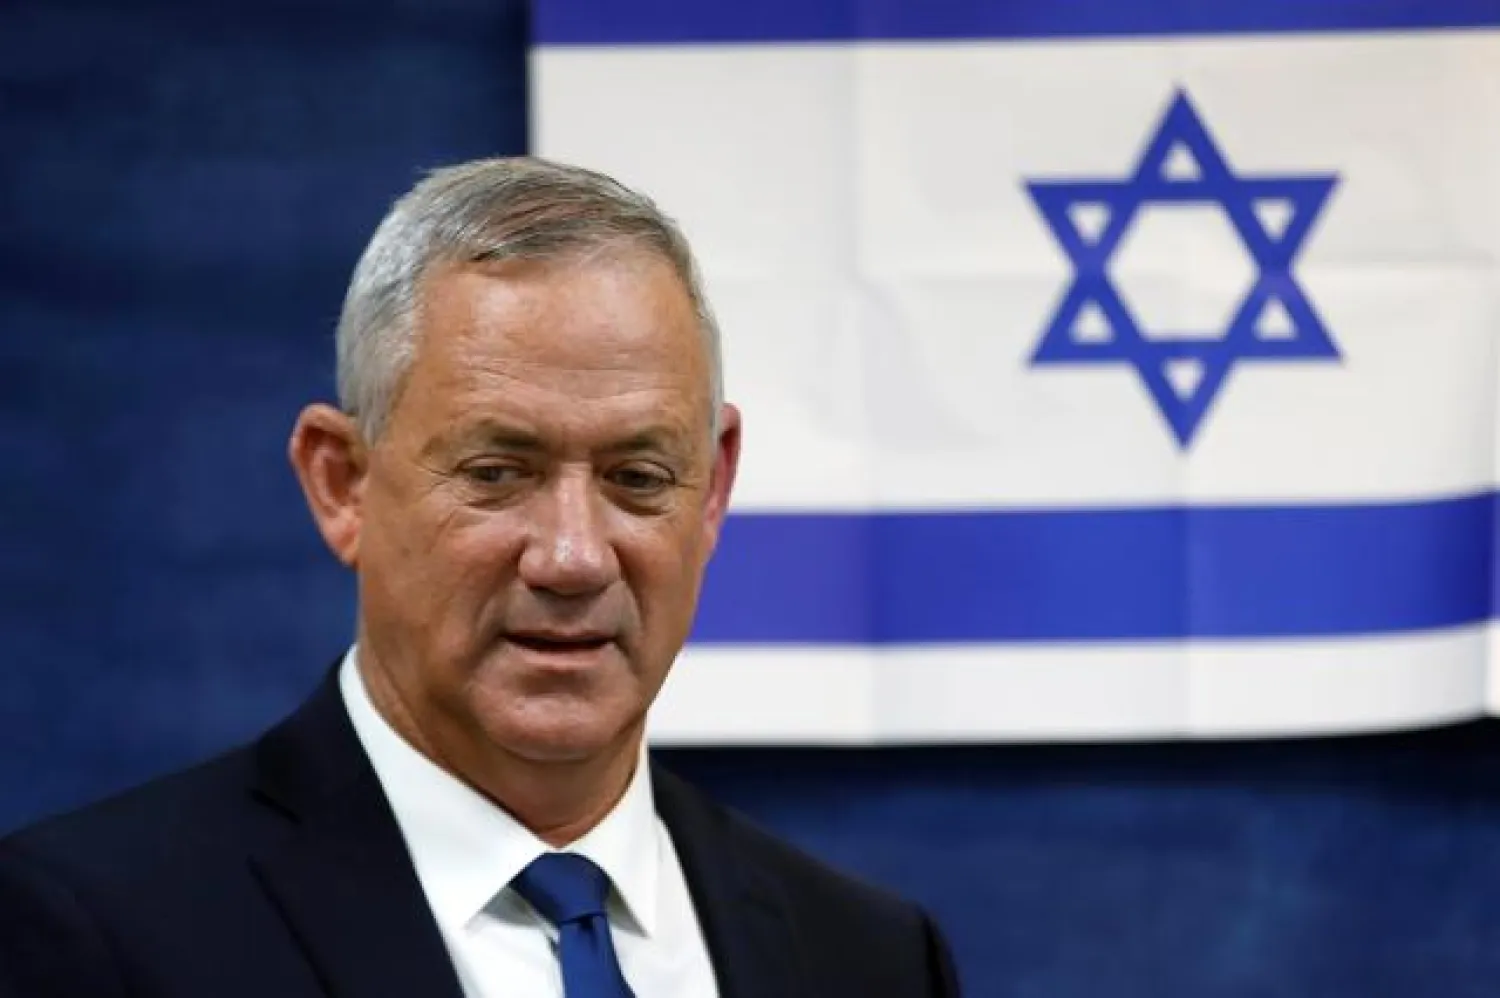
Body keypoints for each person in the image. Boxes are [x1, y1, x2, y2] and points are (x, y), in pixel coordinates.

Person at [0, 157, 960, 997]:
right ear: (343, 484)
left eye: (637, 478)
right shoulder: (92, 938)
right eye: (498, 475)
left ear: (710, 492)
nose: (574, 556)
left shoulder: (870, 959)